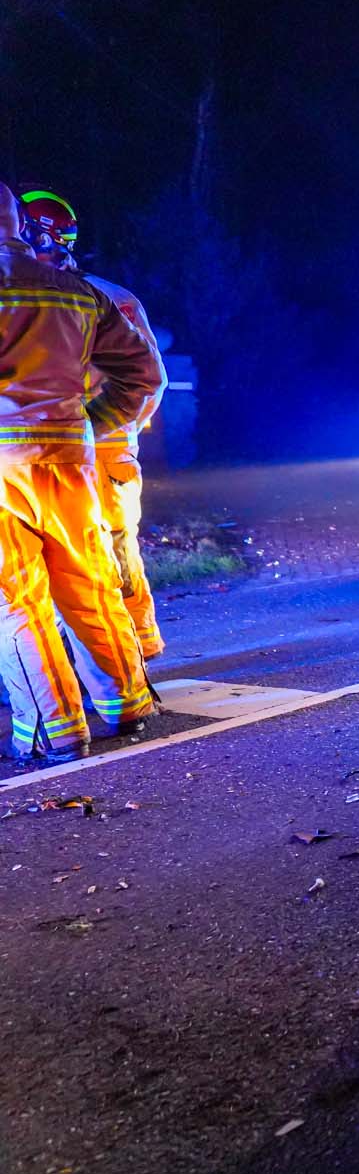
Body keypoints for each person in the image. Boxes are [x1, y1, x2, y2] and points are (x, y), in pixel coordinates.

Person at [0, 182, 163, 761]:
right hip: (74, 460)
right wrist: (90, 427)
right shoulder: (80, 292)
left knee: (18, 604)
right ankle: (129, 705)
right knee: (90, 580)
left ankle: (57, 730)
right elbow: (144, 375)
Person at [21, 188, 168, 658]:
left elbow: (148, 379)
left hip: (94, 451)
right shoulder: (77, 295)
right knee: (70, 565)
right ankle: (102, 664)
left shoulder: (100, 298)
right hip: (67, 452)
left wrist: (91, 428)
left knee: (111, 558)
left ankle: (134, 655)